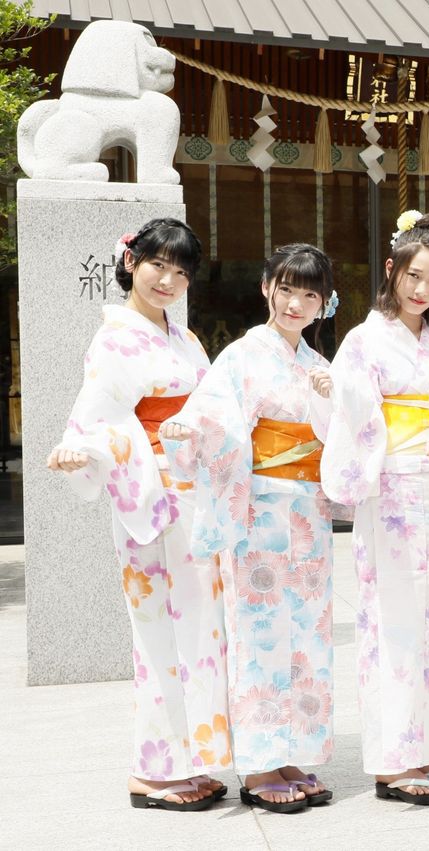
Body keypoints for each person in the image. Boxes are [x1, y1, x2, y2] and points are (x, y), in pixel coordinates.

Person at [47, 218, 229, 811]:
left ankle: (190, 760)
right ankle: (152, 771)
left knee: (197, 630)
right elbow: (101, 420)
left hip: (193, 493)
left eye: (181, 271)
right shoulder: (114, 340)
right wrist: (82, 451)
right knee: (156, 632)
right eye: (158, 265)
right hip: (151, 494)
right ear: (131, 263)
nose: (167, 280)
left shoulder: (185, 338)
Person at [162, 243, 339, 814]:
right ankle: (261, 762)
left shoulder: (318, 366)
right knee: (261, 634)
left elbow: (345, 436)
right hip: (259, 509)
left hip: (309, 514)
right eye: (286, 289)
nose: (295, 304)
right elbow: (210, 416)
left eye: (309, 294)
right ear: (266, 288)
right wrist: (190, 431)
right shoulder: (241, 356)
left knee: (307, 635)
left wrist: (336, 406)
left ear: (324, 302)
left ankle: (294, 750)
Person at [321, 211, 429, 805]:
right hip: (391, 489)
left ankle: (424, 748)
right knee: (393, 621)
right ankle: (392, 760)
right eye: (413, 276)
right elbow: (352, 410)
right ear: (392, 270)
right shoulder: (363, 341)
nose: (422, 290)